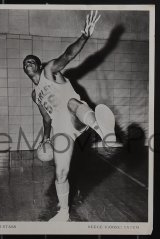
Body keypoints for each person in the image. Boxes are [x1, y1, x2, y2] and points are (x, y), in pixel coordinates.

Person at [23, 10, 116, 222]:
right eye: (24, 64)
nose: (27, 64)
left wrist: (84, 35)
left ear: (38, 65)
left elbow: (68, 55)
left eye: (30, 61)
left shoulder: (49, 72)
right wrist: (46, 138)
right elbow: (46, 118)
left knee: (72, 102)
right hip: (61, 131)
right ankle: (63, 213)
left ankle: (102, 130)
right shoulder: (34, 94)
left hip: (76, 114)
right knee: (61, 173)